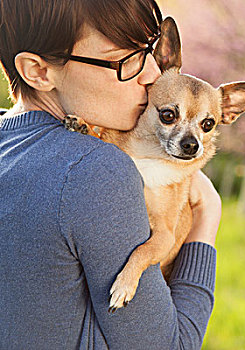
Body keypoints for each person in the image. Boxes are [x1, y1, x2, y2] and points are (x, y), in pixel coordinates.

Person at [0, 0, 222, 349]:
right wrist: (206, 219)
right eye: (124, 60)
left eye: (147, 51)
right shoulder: (94, 170)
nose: (151, 76)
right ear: (38, 71)